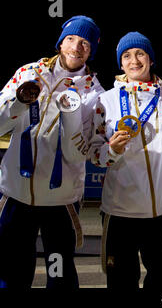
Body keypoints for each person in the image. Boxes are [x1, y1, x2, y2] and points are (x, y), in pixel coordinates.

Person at [0, 15, 103, 288]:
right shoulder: (28, 73)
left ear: (91, 50)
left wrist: (71, 119)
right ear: (60, 42)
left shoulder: (94, 93)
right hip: (18, 194)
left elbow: (79, 153)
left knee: (59, 275)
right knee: (12, 273)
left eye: (85, 43)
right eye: (71, 39)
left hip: (61, 202)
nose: (76, 47)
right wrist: (19, 103)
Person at [89, 32, 162, 289]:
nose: (134, 60)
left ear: (150, 59)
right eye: (126, 56)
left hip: (161, 211)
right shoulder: (104, 101)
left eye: (140, 53)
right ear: (120, 64)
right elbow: (94, 154)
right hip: (118, 213)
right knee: (120, 282)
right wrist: (112, 150)